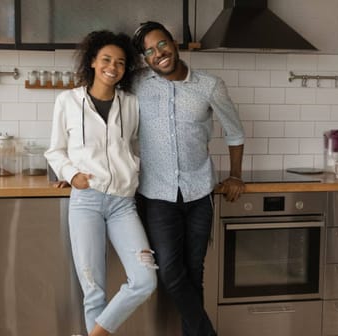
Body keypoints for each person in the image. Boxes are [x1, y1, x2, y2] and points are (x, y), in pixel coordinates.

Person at [131, 21, 245, 336]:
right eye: (150, 51)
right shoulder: (137, 83)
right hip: (157, 195)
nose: (159, 54)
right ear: (145, 58)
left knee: (194, 272)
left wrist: (235, 175)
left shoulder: (210, 85)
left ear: (174, 43)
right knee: (169, 271)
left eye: (162, 44)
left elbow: (235, 133)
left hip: (199, 194)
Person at [44, 30, 157, 336]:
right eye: (106, 59)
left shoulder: (132, 103)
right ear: (92, 62)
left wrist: (130, 169)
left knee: (145, 279)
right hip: (87, 201)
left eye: (120, 62)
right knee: (93, 289)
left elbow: (134, 146)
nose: (113, 66)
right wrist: (70, 175)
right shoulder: (67, 101)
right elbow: (55, 149)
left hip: (123, 204)